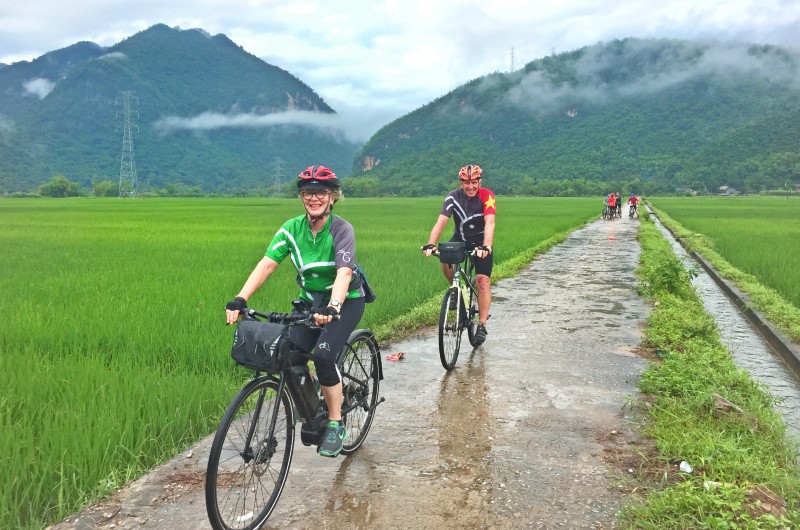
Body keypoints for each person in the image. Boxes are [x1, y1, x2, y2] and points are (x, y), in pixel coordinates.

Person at [225, 165, 367, 458]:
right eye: (307, 193)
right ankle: (316, 398)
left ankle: (336, 423)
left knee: (326, 355)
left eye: (320, 192)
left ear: (332, 197)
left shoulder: (342, 229)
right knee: (288, 352)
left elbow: (343, 273)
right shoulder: (291, 229)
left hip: (346, 300)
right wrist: (241, 298)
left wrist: (333, 306)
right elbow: (267, 263)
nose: (313, 198)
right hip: (311, 301)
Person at [421, 164, 496, 345]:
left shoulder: (487, 196)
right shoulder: (453, 197)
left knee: (482, 281)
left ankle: (482, 325)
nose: (470, 186)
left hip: (480, 242)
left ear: (479, 182)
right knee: (445, 259)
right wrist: (431, 244)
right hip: (461, 239)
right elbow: (441, 222)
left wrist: (486, 246)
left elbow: (490, 222)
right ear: (461, 183)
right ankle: (454, 290)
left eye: (474, 182)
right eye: (466, 183)